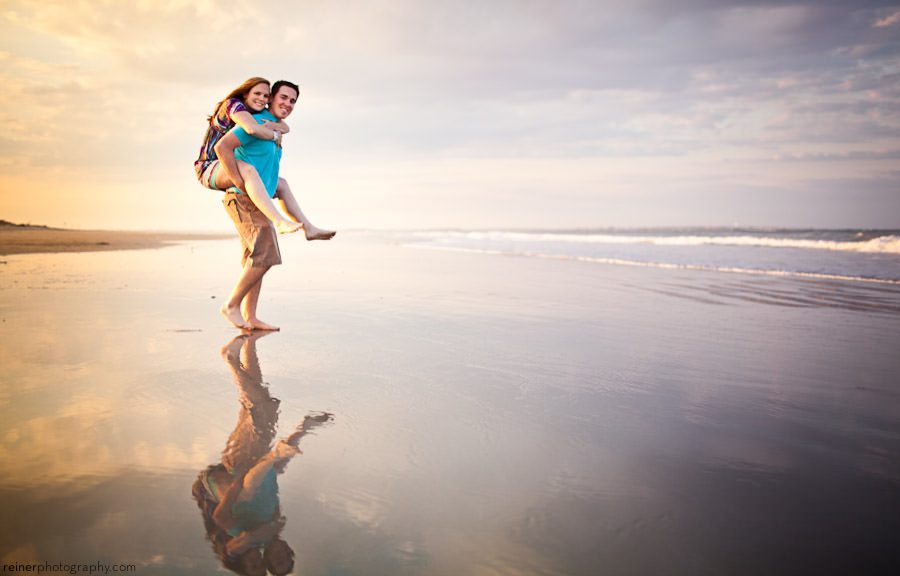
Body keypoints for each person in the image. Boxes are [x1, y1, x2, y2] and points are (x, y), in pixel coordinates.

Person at [215, 80, 333, 331]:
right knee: (265, 254)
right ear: (270, 99)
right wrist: (238, 180)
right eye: (283, 98)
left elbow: (268, 171)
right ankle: (231, 305)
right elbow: (223, 146)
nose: (288, 104)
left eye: (292, 101)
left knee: (254, 258)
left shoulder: (274, 128)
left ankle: (250, 316)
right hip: (244, 199)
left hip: (259, 200)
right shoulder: (255, 123)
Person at [195, 77, 304, 235]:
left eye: (265, 96)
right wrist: (274, 135)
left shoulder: (255, 112)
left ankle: (307, 227)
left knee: (281, 184)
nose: (261, 99)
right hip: (208, 166)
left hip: (225, 161)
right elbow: (251, 129)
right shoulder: (233, 105)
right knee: (248, 171)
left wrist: (275, 126)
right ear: (245, 93)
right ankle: (279, 221)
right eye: (257, 93)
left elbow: (285, 126)